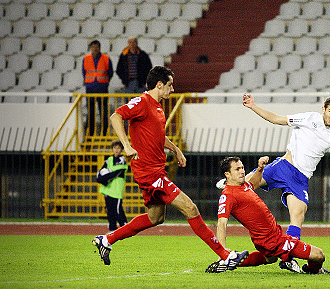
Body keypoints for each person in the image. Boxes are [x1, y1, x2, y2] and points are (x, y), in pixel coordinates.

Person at [93, 66, 247, 269]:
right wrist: (127, 145)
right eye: (169, 85)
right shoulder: (142, 102)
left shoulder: (157, 106)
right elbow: (115, 116)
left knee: (155, 217)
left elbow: (156, 134)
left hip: (156, 170)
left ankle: (106, 240)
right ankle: (225, 255)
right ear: (159, 85)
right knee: (190, 207)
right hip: (149, 172)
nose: (172, 89)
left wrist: (176, 149)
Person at [216, 94, 330, 272]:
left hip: (301, 179)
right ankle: (228, 184)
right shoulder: (309, 118)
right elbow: (277, 119)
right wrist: (253, 106)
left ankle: (288, 259)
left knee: (298, 214)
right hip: (284, 166)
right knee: (246, 186)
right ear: (323, 109)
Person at [206, 156, 329, 274]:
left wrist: (260, 168)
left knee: (270, 258)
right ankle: (314, 270)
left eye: (242, 168)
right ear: (227, 174)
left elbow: (255, 181)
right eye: (237, 169)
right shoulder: (227, 195)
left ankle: (234, 260)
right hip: (272, 240)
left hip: (272, 236)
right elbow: (221, 223)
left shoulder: (243, 186)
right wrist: (222, 252)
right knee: (319, 255)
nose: (242, 171)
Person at [96, 140, 128, 232]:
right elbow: (101, 171)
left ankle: (124, 227)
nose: (116, 150)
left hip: (117, 189)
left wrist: (104, 179)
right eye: (115, 148)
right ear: (112, 149)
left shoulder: (122, 160)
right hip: (108, 189)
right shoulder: (109, 160)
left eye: (118, 148)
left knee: (118, 209)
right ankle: (112, 228)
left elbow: (117, 173)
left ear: (121, 149)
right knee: (110, 210)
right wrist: (100, 179)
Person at [82, 39, 113, 136]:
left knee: (103, 112)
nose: (95, 49)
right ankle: (90, 134)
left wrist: (104, 82)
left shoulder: (106, 58)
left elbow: (110, 72)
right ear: (91, 48)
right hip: (90, 88)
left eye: (96, 47)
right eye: (93, 47)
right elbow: (84, 72)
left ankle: (104, 133)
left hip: (102, 88)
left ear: (99, 48)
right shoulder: (86, 58)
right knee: (90, 112)